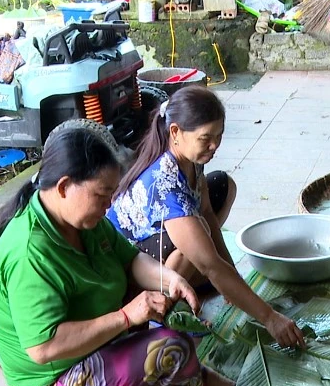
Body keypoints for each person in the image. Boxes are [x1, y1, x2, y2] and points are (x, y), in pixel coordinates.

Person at [0, 128, 236, 386]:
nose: (109, 205)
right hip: (51, 383)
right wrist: (127, 316)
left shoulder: (82, 221)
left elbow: (131, 260)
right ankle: (197, 378)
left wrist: (170, 279)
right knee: (171, 347)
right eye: (102, 194)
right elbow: (44, 347)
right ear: (64, 187)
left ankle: (148, 368)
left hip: (91, 342)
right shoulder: (29, 254)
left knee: (158, 296)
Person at [107, 85, 305, 349]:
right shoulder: (164, 183)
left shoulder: (192, 159)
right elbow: (209, 261)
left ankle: (205, 281)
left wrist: (232, 276)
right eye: (205, 138)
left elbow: (209, 214)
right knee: (196, 247)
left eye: (219, 136)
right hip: (129, 270)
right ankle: (165, 314)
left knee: (223, 188)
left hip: (157, 243)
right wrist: (270, 318)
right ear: (175, 132)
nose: (214, 146)